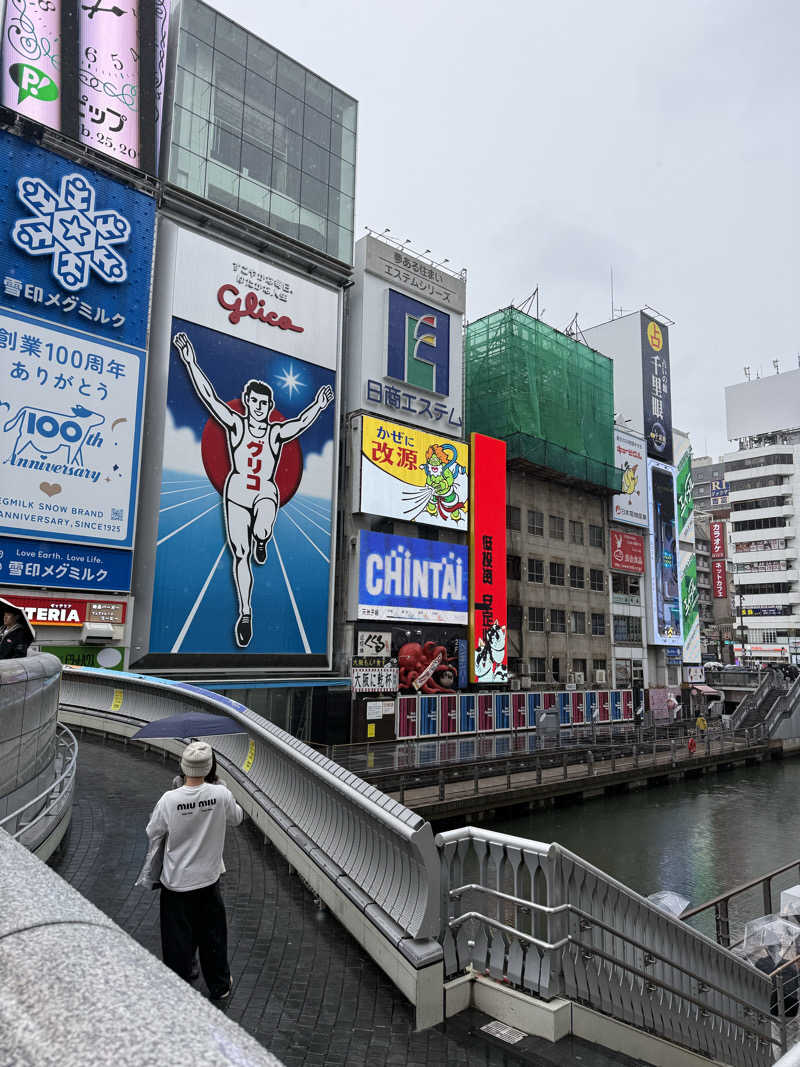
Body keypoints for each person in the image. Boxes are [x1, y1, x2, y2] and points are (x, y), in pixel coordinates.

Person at [173, 331, 334, 649]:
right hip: (235, 493)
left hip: (264, 492)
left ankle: (264, 538)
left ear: (269, 406)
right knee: (240, 554)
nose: (259, 407)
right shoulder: (235, 424)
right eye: (254, 402)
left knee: (261, 527)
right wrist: (190, 362)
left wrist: (318, 405)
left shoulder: (275, 432)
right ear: (247, 402)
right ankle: (245, 612)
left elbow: (299, 423)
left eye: (264, 403)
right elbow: (209, 398)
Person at [144, 741, 243, 1001]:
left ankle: (180, 987)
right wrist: (221, 789)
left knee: (177, 941)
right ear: (210, 767)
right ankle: (220, 986)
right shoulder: (220, 794)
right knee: (213, 937)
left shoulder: (170, 799)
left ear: (183, 766)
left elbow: (153, 831)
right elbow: (237, 817)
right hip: (208, 881)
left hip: (176, 883)